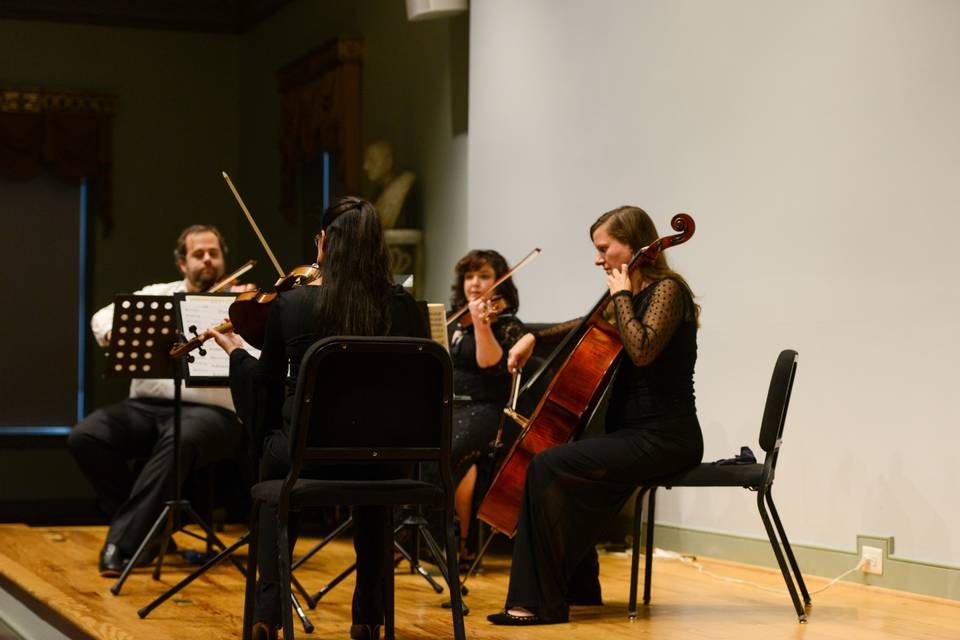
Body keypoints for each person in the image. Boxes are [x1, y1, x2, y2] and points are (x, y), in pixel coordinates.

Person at [206, 197, 429, 640]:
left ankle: (267, 614)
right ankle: (369, 615)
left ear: (325, 243)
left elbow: (265, 385)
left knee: (272, 450)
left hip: (307, 460)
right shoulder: (406, 308)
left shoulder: (293, 305)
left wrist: (235, 355)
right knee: (373, 466)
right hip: (388, 462)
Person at [486, 206, 703, 626]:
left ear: (637, 246)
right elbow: (586, 325)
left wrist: (621, 295)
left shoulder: (667, 292)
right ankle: (580, 586)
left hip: (667, 437)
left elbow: (642, 351)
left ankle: (540, 605)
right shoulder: (631, 297)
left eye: (604, 248)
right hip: (634, 435)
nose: (598, 258)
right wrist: (534, 334)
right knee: (565, 470)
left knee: (547, 466)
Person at [68, 224, 248, 577]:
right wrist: (113, 333)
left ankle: (123, 543)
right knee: (86, 437)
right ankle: (155, 529)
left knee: (179, 440)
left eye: (214, 253)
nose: (208, 260)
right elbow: (102, 317)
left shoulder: (240, 303)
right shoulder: (160, 293)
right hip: (148, 407)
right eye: (199, 254)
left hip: (213, 413)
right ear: (183, 264)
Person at [447, 250, 526, 568]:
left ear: (499, 283)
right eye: (469, 277)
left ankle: (459, 544)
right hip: (451, 407)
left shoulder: (507, 324)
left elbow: (490, 365)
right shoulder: (455, 320)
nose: (475, 284)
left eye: (483, 277)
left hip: (487, 410)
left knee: (452, 448)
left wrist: (481, 326)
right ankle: (417, 540)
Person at [362, 141, 416, 229]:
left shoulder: (403, 185)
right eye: (366, 160)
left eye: (372, 161)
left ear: (388, 162)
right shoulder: (376, 193)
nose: (365, 166)